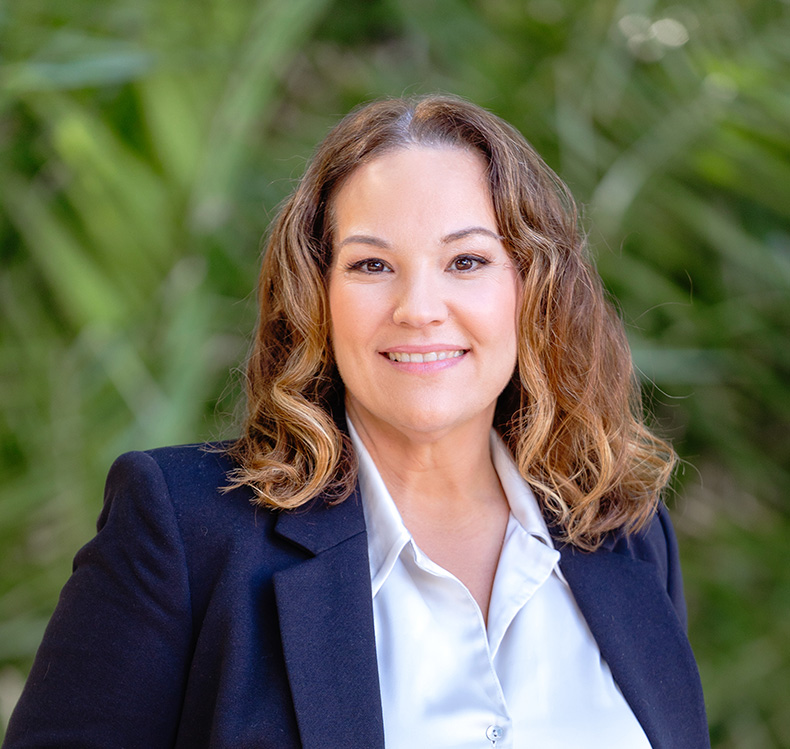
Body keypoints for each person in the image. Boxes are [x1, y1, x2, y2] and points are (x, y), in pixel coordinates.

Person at [4, 95, 708, 748]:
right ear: (317, 295)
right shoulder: (185, 529)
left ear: (534, 288)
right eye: (372, 264)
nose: (419, 307)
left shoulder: (625, 535)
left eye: (466, 260)